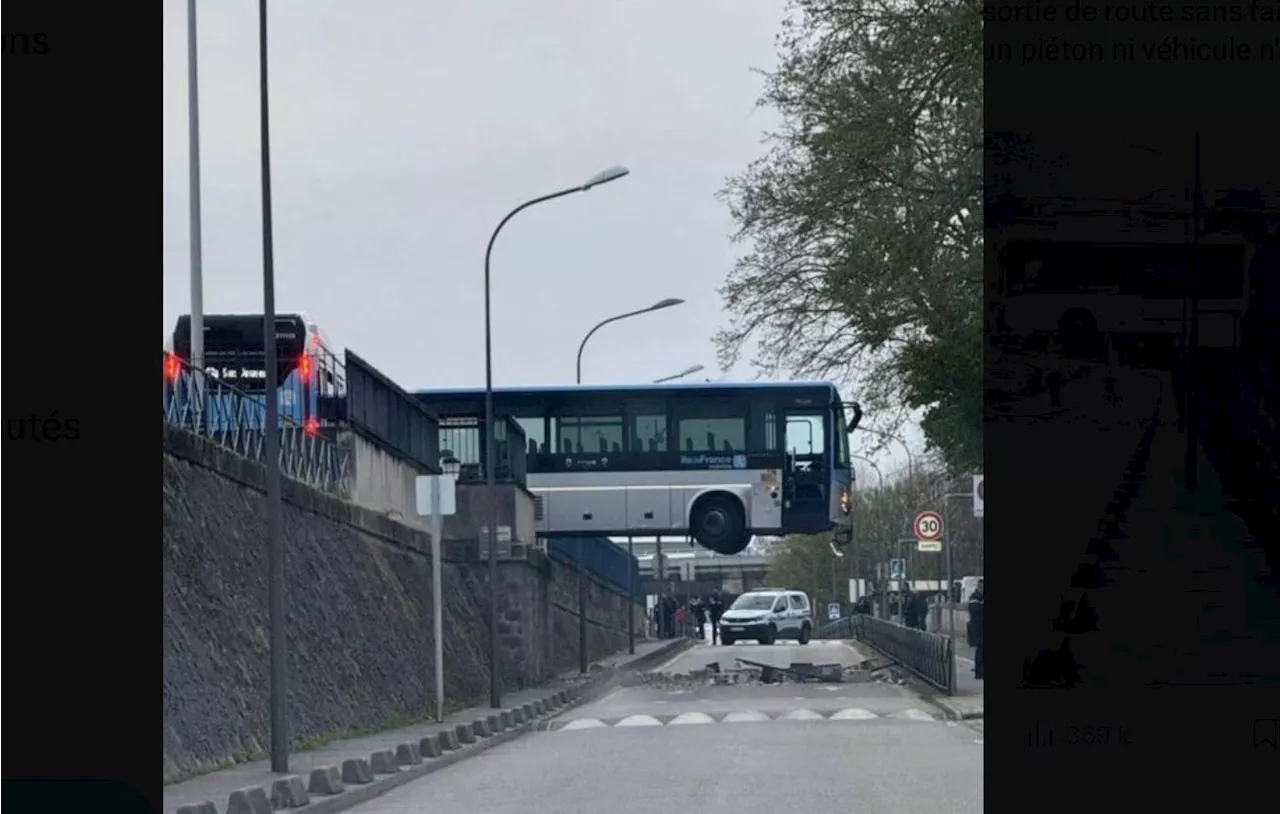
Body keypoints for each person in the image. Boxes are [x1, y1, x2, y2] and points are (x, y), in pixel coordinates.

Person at [967, 580, 984, 679]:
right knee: (980, 648)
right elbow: (976, 613)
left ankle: (981, 670)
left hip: (981, 626)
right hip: (978, 627)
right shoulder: (975, 598)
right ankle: (979, 672)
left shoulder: (980, 598)